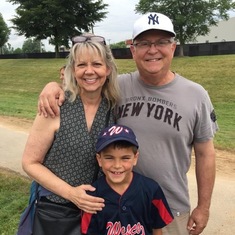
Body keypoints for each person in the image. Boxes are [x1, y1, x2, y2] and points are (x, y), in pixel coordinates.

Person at [38, 12, 218, 235]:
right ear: (133, 50)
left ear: (173, 47)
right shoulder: (116, 88)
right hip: (114, 210)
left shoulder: (196, 95)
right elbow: (86, 78)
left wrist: (204, 207)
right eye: (144, 43)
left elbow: (205, 154)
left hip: (169, 209)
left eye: (161, 42)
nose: (153, 50)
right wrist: (53, 87)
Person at [20, 34, 120, 234]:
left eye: (97, 64)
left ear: (107, 69)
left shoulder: (115, 108)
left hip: (99, 214)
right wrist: (71, 194)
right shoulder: (56, 106)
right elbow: (29, 163)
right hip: (55, 214)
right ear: (72, 70)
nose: (89, 71)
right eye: (81, 64)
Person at [81, 124, 174, 235]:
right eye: (109, 158)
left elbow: (157, 229)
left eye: (125, 158)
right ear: (99, 159)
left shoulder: (151, 190)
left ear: (135, 158)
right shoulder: (91, 198)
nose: (117, 165)